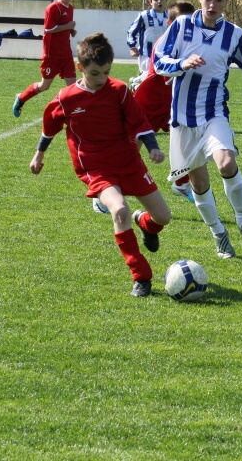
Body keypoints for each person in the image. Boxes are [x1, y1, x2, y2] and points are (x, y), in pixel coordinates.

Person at [29, 32, 171, 297]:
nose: (101, 79)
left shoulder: (118, 91)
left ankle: (145, 223)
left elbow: (139, 121)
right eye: (95, 73)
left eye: (106, 72)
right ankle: (140, 275)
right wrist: (39, 154)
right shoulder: (66, 98)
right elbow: (50, 127)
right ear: (80, 68)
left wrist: (153, 147)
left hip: (128, 162)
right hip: (95, 167)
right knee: (119, 210)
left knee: (163, 217)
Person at [154, 0, 242, 259]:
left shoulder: (234, 34)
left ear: (226, 1)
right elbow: (158, 62)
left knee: (227, 161)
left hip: (214, 112)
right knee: (199, 183)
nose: (212, 4)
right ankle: (219, 233)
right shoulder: (181, 25)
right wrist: (182, 62)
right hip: (182, 119)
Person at [131, 0, 197, 203]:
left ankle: (181, 183)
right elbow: (167, 73)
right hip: (150, 100)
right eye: (182, 22)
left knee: (192, 140)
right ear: (170, 24)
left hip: (171, 102)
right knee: (132, 147)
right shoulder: (164, 42)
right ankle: (106, 186)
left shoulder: (190, 42)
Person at [13, 0, 77, 117]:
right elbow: (49, 28)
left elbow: (65, 25)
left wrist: (71, 31)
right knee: (44, 86)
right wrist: (69, 26)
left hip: (66, 53)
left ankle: (73, 113)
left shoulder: (70, 8)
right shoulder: (53, 8)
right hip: (52, 54)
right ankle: (21, 98)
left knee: (72, 85)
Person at [126, 0, 169, 88]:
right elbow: (131, 31)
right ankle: (136, 85)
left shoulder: (170, 15)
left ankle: (136, 81)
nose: (159, 1)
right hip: (146, 54)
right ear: (150, 2)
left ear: (166, 0)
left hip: (164, 55)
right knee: (148, 79)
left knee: (160, 82)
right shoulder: (144, 15)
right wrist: (132, 47)